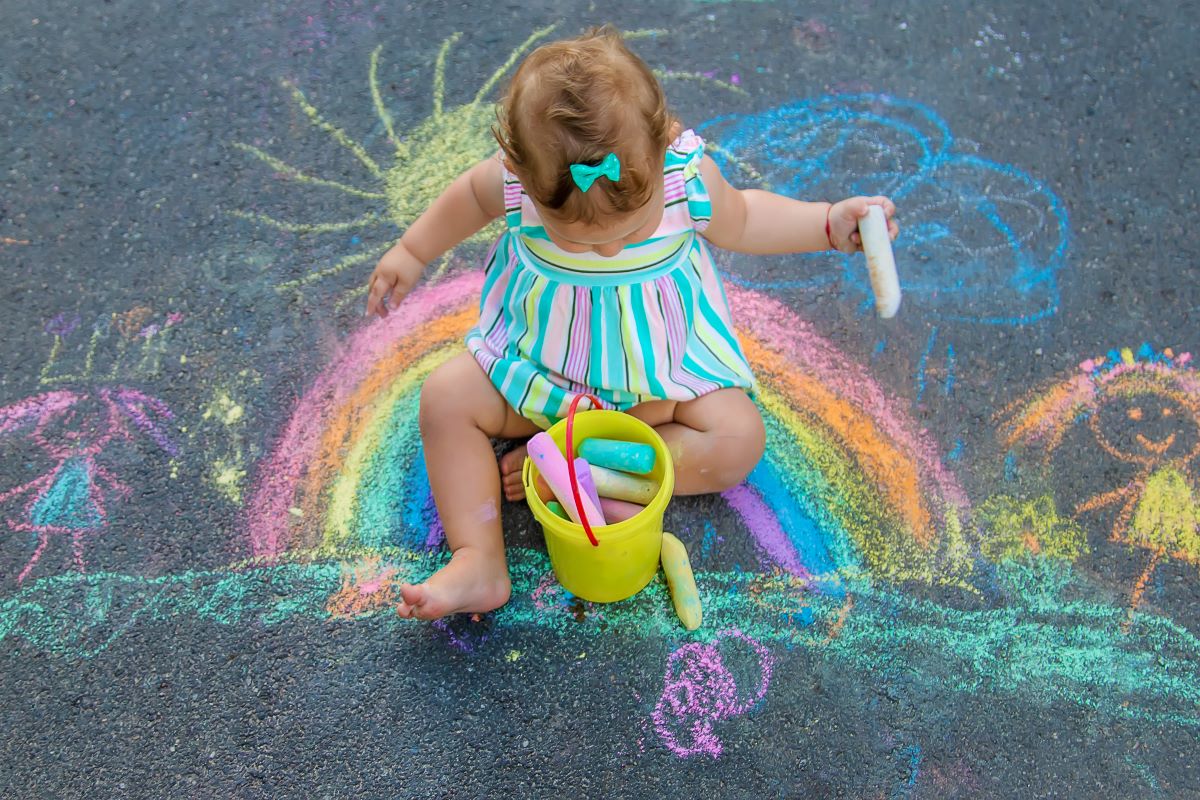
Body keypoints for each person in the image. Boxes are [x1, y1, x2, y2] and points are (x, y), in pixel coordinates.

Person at [364, 25, 898, 620]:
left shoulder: (685, 179)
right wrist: (412, 252)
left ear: (666, 143)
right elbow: (466, 197)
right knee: (444, 398)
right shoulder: (518, 183)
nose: (611, 252)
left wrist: (827, 224)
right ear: (518, 168)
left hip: (657, 382)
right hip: (541, 374)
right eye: (585, 242)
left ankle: (580, 467)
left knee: (739, 439)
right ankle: (479, 557)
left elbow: (745, 220)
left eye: (629, 233)